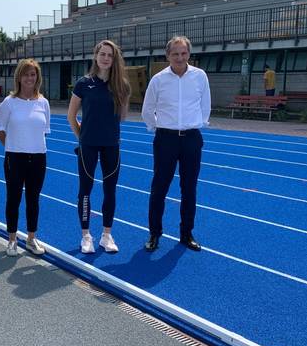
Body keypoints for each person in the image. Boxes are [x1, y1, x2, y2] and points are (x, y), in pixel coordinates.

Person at [141, 36, 211, 253]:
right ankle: (154, 234)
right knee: (159, 188)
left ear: (189, 54)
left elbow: (205, 105)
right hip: (166, 139)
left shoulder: (200, 77)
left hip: (191, 138)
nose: (180, 57)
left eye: (183, 53)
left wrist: (197, 124)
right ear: (168, 55)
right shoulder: (158, 80)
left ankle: (186, 233)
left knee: (189, 189)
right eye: (175, 54)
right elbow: (147, 109)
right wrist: (159, 129)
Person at [67, 40, 130, 254]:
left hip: (112, 145)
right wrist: (82, 137)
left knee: (110, 190)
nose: (105, 58)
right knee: (85, 190)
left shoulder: (121, 85)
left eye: (109, 55)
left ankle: (106, 234)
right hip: (89, 146)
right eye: (102, 54)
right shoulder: (83, 84)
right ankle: (86, 235)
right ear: (96, 56)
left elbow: (122, 116)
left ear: (114, 59)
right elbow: (71, 116)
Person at [0, 59, 50, 257]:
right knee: (14, 198)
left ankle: (31, 238)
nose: (29, 78)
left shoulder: (43, 102)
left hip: (38, 158)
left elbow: (44, 131)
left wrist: (30, 145)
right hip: (15, 158)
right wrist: (13, 146)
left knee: (33, 199)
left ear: (37, 77)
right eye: (26, 74)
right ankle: (11, 240)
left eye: (33, 74)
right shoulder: (9, 103)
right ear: (19, 77)